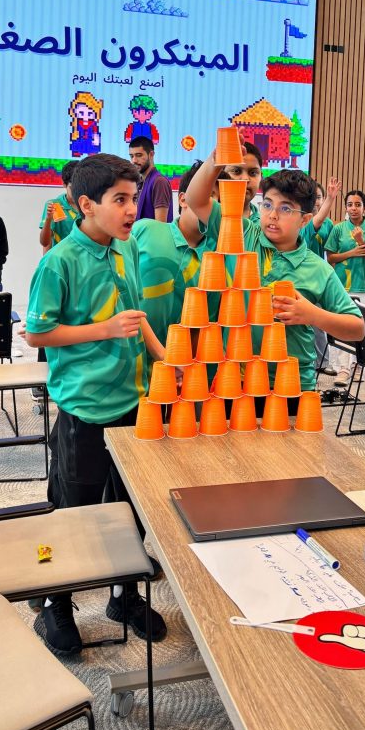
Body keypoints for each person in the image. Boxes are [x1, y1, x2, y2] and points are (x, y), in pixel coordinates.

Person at [25, 154, 167, 656]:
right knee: (75, 513)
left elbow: (135, 315)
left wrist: (164, 358)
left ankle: (123, 595)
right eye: (120, 200)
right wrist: (103, 330)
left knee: (129, 510)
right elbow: (37, 333)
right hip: (84, 412)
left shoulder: (126, 249)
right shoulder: (60, 261)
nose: (131, 209)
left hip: (134, 404)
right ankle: (56, 604)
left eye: (134, 198)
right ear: (86, 204)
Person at [186, 145, 365, 393]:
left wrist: (311, 314)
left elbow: (358, 328)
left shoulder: (318, 269)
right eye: (268, 204)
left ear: (305, 219)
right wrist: (216, 159)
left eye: (285, 209)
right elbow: (195, 200)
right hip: (237, 376)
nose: (272, 215)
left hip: (290, 383)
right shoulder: (244, 234)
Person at [132, 161, 221, 345]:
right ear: (183, 199)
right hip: (127, 354)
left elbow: (204, 326)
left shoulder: (217, 259)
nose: (214, 208)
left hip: (176, 360)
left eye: (221, 203)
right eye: (209, 197)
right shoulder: (145, 230)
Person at [325, 189, 365, 386]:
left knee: (363, 329)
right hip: (342, 286)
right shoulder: (338, 229)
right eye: (350, 204)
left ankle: (359, 365)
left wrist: (361, 242)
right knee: (343, 328)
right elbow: (331, 258)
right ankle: (343, 369)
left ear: (364, 207)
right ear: (345, 207)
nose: (353, 208)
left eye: (358, 205)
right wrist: (351, 252)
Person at [302, 178, 342, 375]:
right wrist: (330, 199)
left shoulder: (329, 224)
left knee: (319, 323)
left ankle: (322, 363)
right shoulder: (303, 221)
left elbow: (331, 251)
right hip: (302, 276)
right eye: (313, 197)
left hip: (318, 278)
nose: (316, 201)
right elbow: (315, 223)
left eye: (319, 197)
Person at [130, 136, 173, 222]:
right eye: (131, 156)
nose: (134, 160)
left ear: (151, 155)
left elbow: (160, 225)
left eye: (139, 155)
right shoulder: (139, 182)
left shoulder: (159, 182)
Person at [38, 161, 79, 252]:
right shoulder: (55, 205)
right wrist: (48, 220)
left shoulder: (90, 206)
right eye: (72, 188)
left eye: (80, 187)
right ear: (64, 184)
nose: (77, 192)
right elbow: (45, 243)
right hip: (61, 258)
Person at [224, 141, 263, 223]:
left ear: (261, 178)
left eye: (253, 173)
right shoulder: (206, 215)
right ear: (220, 175)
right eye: (236, 171)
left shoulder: (266, 225)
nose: (245, 179)